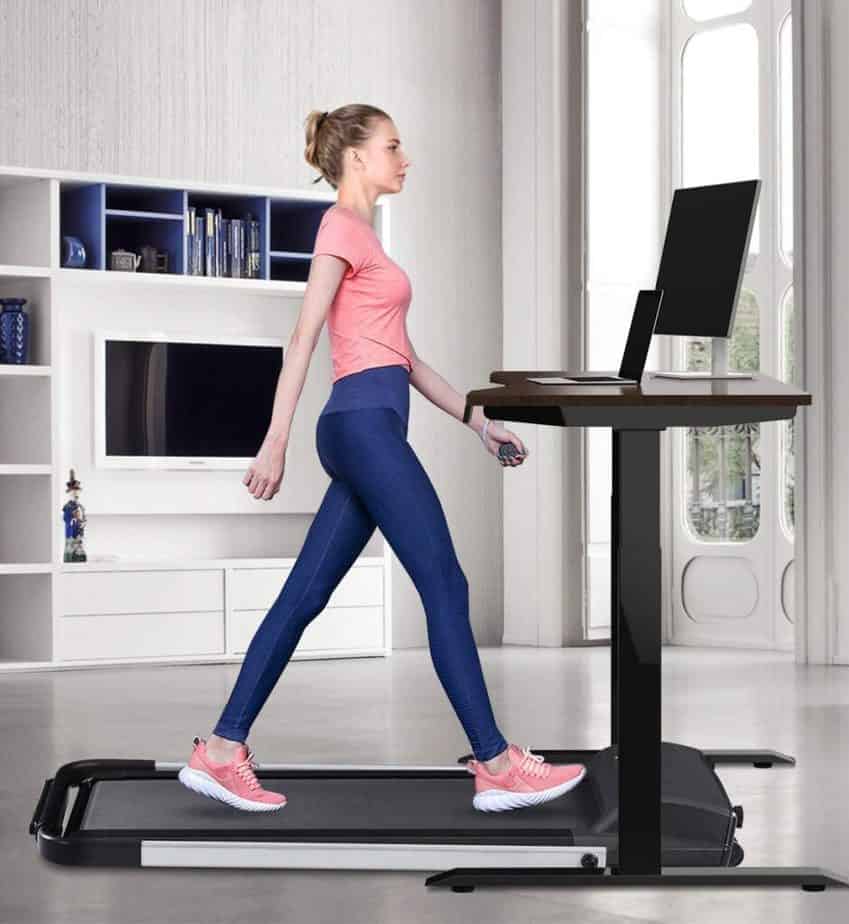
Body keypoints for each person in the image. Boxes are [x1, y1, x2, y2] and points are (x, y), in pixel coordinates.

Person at [178, 103, 586, 814]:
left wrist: (477, 421)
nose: (405, 158)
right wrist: (273, 440)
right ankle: (495, 764)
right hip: (363, 427)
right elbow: (302, 337)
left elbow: (405, 358)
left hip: (367, 424)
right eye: (393, 146)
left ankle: (220, 750)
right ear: (357, 157)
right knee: (447, 587)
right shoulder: (340, 228)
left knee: (304, 596)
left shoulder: (365, 236)